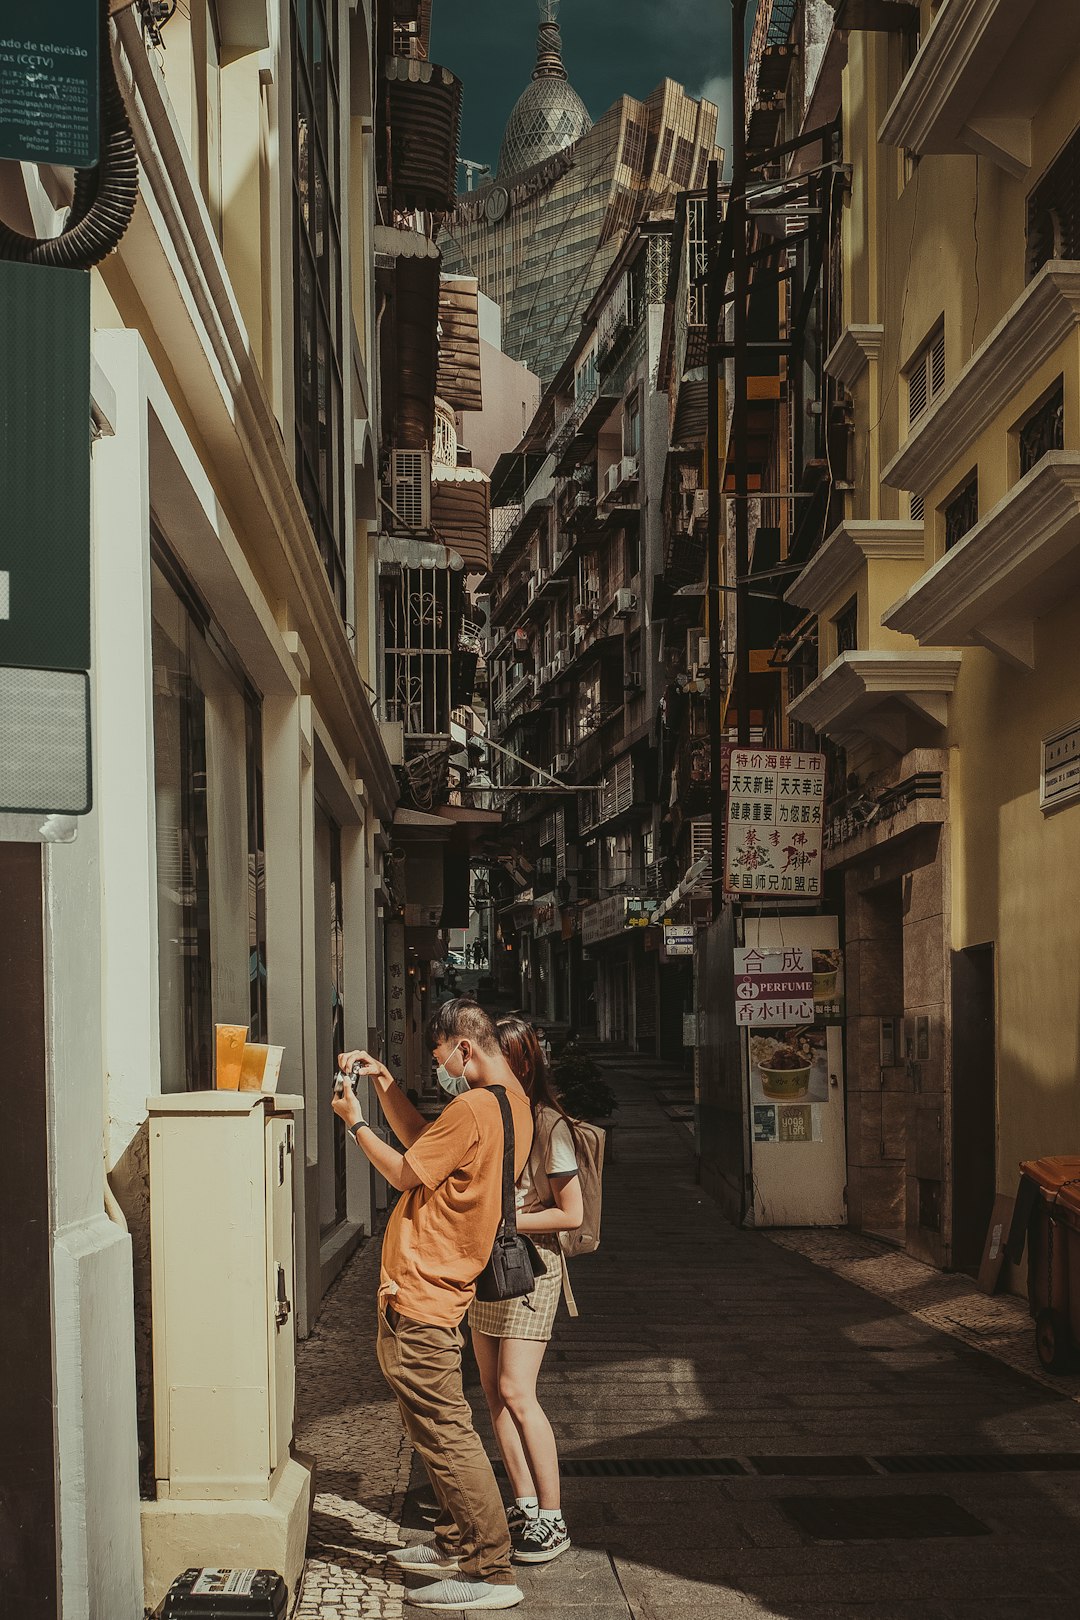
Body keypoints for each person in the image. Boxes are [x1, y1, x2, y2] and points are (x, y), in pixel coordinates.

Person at [332, 998, 534, 1613]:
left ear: (465, 1050)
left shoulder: (473, 1106)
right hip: (442, 1284)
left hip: (425, 1287)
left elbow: (403, 1172)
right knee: (433, 1424)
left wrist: (354, 1121)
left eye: (441, 1055)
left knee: (447, 1432)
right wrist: (387, 1087)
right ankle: (454, 1542)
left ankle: (488, 1569)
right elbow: (428, 1146)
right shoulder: (511, 1103)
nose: (440, 1066)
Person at [468, 1016, 583, 1567]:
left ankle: (554, 1518)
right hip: (487, 1267)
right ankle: (526, 1504)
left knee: (517, 1390)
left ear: (521, 1065)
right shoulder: (486, 1118)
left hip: (532, 1270)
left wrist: (506, 1217)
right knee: (491, 1392)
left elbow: (572, 1212)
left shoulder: (548, 1125)